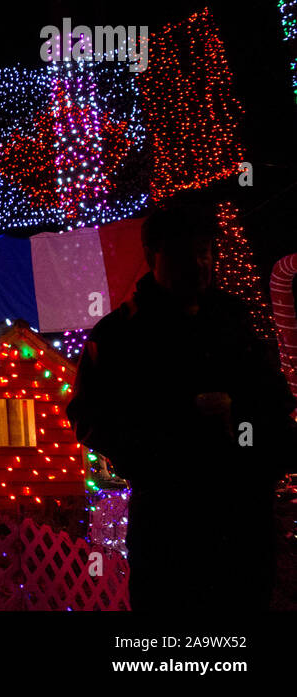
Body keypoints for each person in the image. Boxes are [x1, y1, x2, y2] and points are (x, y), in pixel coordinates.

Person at [67, 198, 297, 610]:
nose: (198, 264)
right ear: (153, 256)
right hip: (169, 520)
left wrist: (241, 418)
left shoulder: (234, 321)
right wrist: (156, 449)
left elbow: (276, 400)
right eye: (183, 253)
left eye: (205, 251)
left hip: (242, 515)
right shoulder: (122, 336)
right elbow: (89, 414)